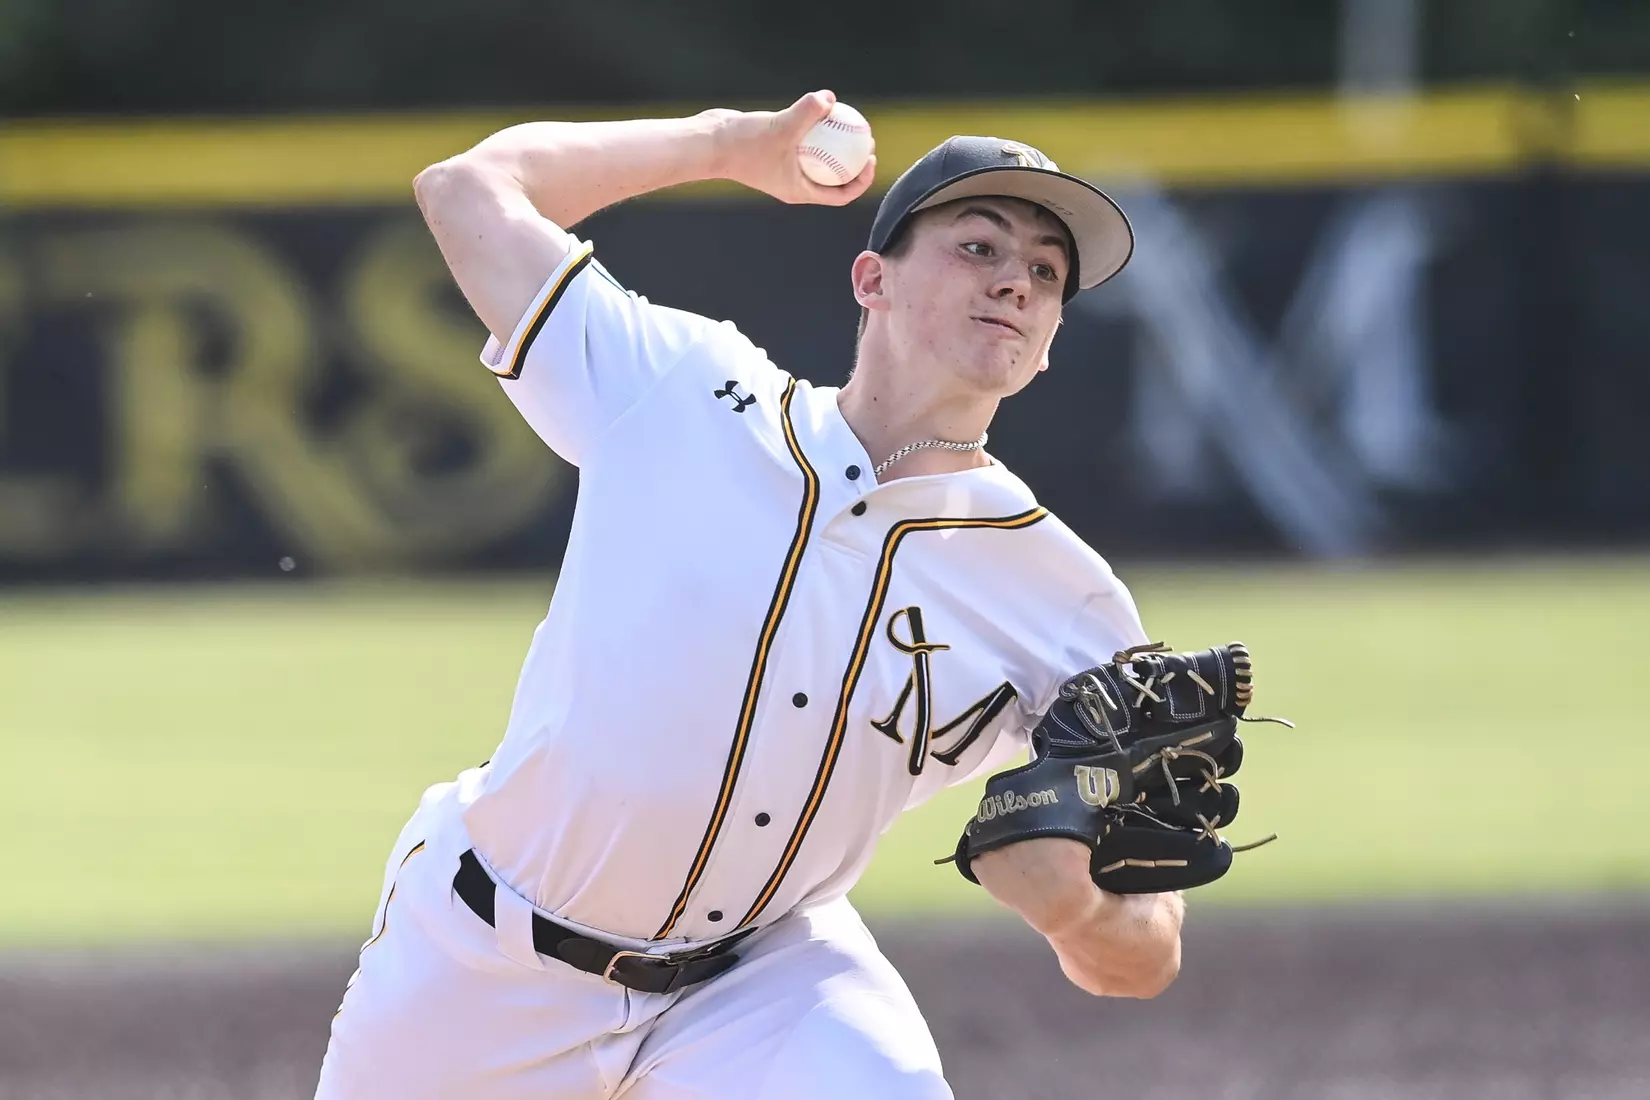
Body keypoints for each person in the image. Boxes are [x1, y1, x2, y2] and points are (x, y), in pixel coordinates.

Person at [315, 90, 1183, 1100]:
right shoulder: (684, 390)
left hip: (761, 987)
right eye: (978, 245)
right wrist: (729, 144)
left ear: (1048, 344)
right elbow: (468, 191)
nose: (1016, 282)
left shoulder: (1066, 602)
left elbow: (1149, 950)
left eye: (1046, 272)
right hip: (481, 962)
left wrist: (1082, 911)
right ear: (874, 280)